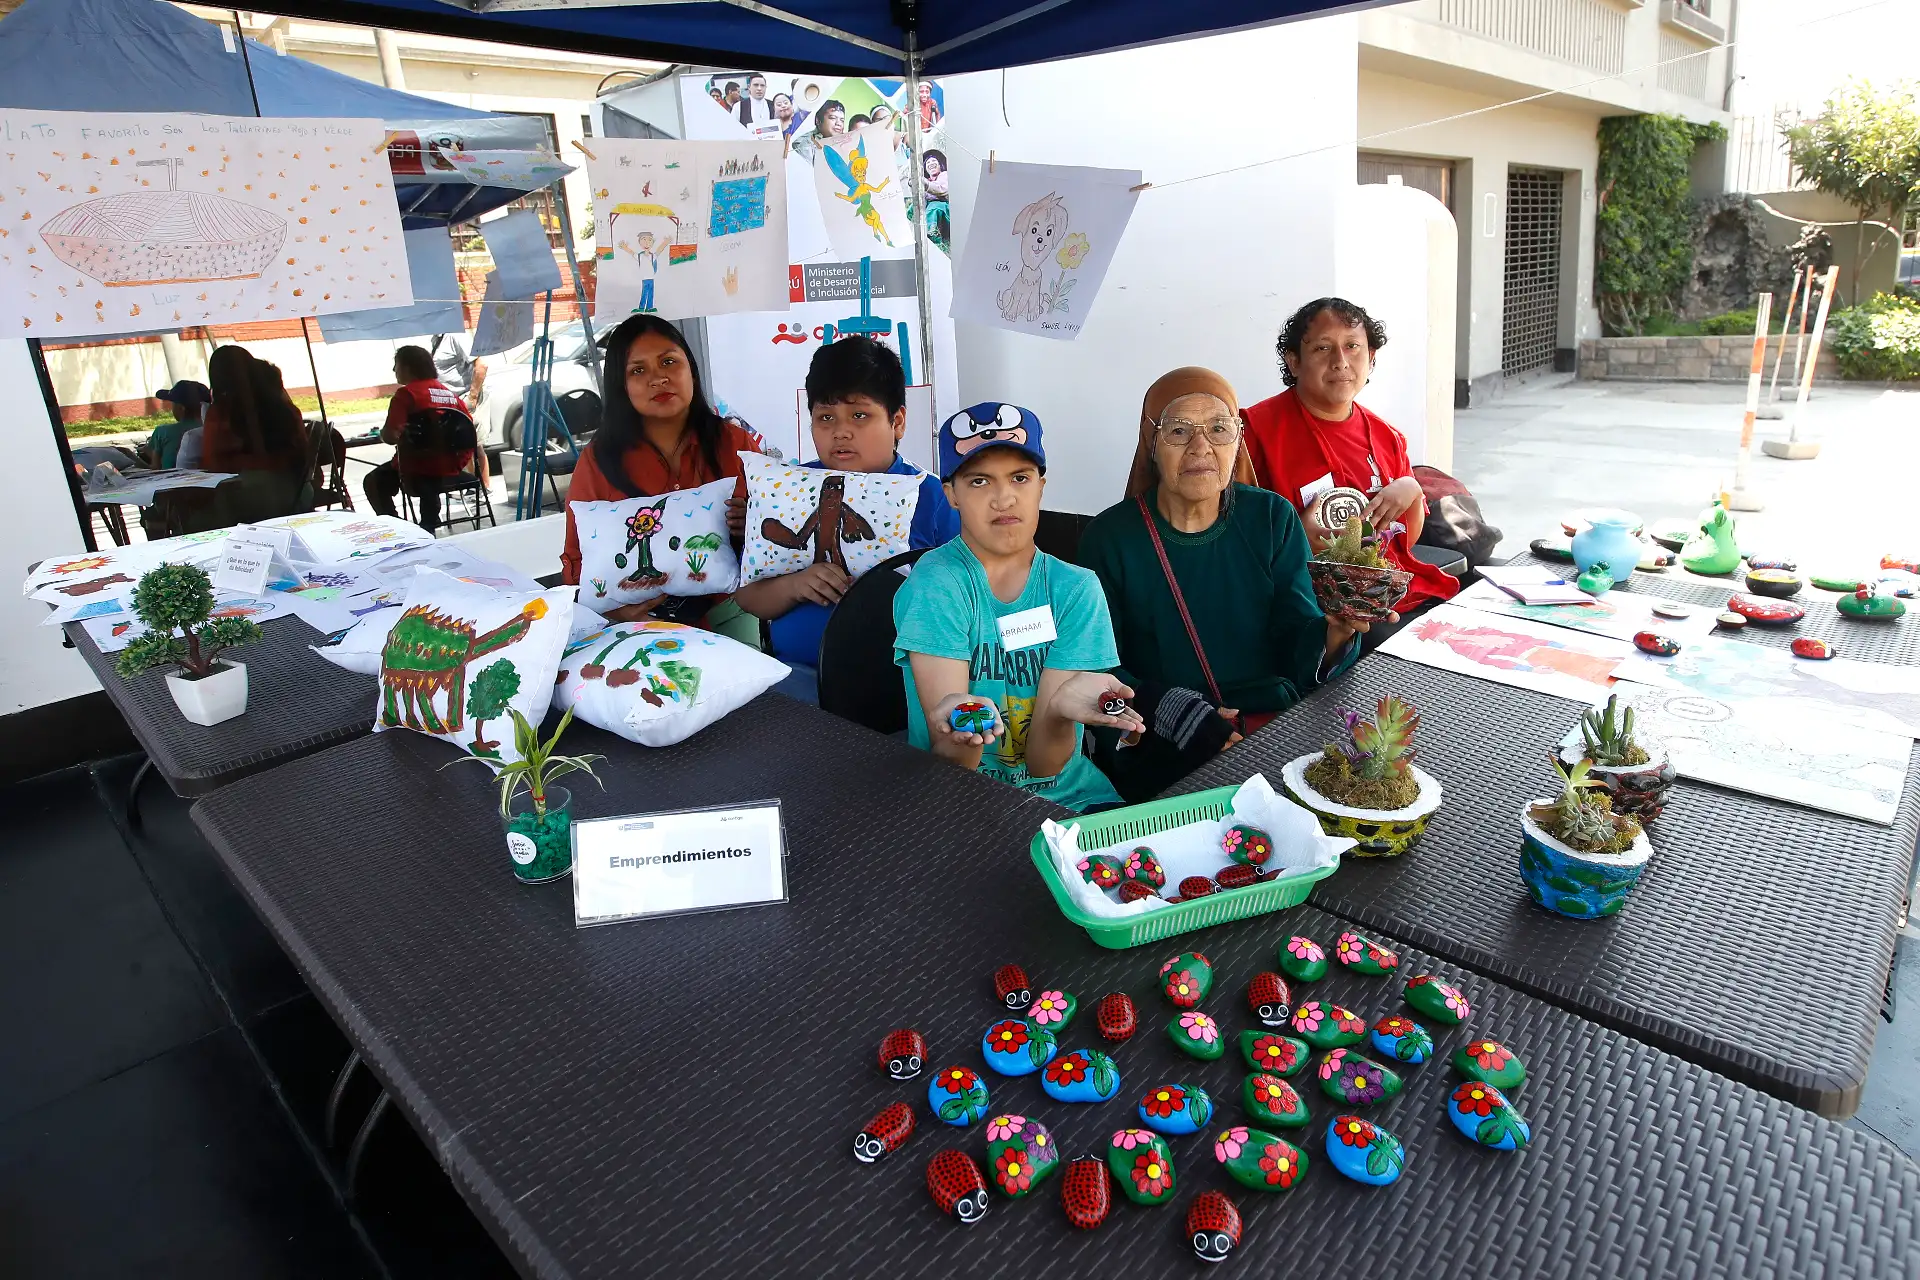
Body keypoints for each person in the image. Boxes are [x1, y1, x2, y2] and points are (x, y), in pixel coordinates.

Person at [1078, 368, 1370, 802]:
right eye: (1179, 430)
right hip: (1162, 734)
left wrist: (1335, 633)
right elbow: (1097, 666)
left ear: (1238, 441)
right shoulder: (1110, 538)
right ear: (1151, 443)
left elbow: (1296, 634)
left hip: (1267, 729)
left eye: (1219, 429)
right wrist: (1178, 715)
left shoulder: (1271, 518)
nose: (1201, 447)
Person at [892, 405, 1142, 813]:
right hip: (958, 802)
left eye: (1020, 478)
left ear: (1041, 486)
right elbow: (953, 762)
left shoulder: (1076, 590)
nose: (1003, 498)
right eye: (979, 481)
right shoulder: (937, 585)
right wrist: (961, 730)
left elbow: (1045, 765)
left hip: (1072, 799)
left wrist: (1059, 711)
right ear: (951, 494)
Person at [734, 337, 959, 701]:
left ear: (897, 421)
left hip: (902, 689)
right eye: (825, 417)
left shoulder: (935, 497)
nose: (840, 431)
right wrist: (796, 585)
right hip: (794, 679)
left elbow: (968, 600)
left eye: (859, 415)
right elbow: (748, 597)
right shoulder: (784, 486)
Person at [1242, 298, 1459, 630]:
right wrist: (1295, 539)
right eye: (1322, 348)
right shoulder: (1253, 431)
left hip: (1388, 598)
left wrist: (1411, 490)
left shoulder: (1388, 437)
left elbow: (1404, 544)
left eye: (1352, 347)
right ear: (1294, 361)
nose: (1340, 362)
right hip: (1305, 608)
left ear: (1371, 358)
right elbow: (1232, 540)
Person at [560, 314, 762, 644]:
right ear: (621, 386)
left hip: (729, 609)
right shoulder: (600, 460)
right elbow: (577, 557)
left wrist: (752, 525)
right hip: (635, 625)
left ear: (691, 370)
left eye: (668, 362)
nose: (658, 378)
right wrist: (615, 613)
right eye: (638, 370)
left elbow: (774, 539)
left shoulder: (735, 443)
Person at [363, 345, 478, 534]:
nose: (394, 370)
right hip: (451, 469)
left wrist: (384, 434)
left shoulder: (406, 395)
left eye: (396, 365)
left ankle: (397, 529)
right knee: (423, 476)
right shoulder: (451, 396)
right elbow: (468, 434)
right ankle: (430, 518)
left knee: (373, 481)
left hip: (416, 470)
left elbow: (391, 436)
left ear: (407, 367)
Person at [199, 345, 310, 526]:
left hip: (250, 503)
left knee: (193, 518)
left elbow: (213, 466)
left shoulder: (220, 414)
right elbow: (304, 453)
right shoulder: (285, 407)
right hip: (299, 493)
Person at [142, 380, 209, 469]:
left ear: (181, 408)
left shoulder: (162, 432)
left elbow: (155, 468)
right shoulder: (210, 431)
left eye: (173, 404)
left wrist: (131, 456)